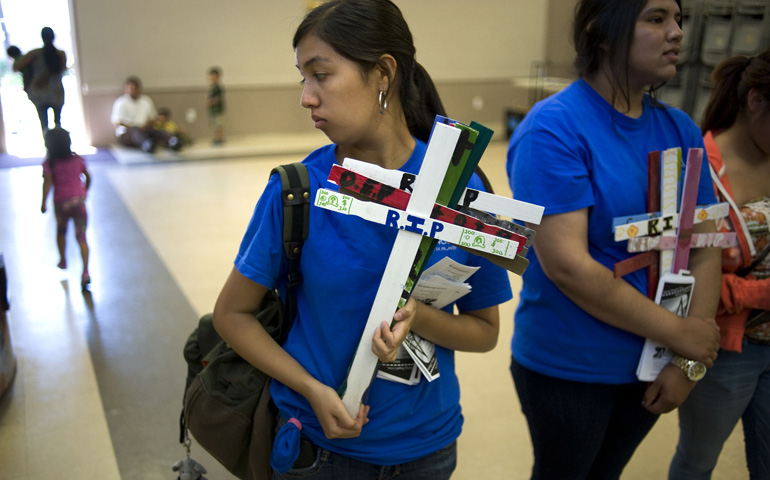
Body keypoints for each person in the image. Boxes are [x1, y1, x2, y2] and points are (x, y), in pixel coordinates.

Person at [212, 1, 513, 478]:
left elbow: (486, 333)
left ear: (383, 73)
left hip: (429, 449)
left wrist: (418, 319)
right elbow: (231, 315)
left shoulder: (461, 186)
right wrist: (312, 389)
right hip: (321, 452)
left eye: (321, 75)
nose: (307, 97)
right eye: (302, 79)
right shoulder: (301, 189)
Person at [506, 0, 723, 478]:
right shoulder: (554, 128)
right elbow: (569, 265)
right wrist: (679, 335)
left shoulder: (680, 130)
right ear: (601, 33)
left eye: (679, 20)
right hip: (572, 367)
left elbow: (705, 247)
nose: (676, 33)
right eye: (656, 18)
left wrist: (687, 360)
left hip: (655, 361)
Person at [668, 48, 770, 480]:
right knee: (698, 461)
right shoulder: (700, 169)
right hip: (727, 349)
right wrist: (757, 293)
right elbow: (680, 273)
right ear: (756, 100)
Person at [40, 127, 91, 288]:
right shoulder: (77, 160)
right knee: (81, 237)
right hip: (78, 202)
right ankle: (85, 272)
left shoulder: (50, 163)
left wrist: (43, 202)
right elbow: (88, 177)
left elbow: (47, 183)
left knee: (61, 232)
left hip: (61, 203)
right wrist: (84, 192)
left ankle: (63, 260)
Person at [12, 27, 66, 136]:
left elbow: (17, 67)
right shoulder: (61, 54)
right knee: (58, 123)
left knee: (44, 124)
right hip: (57, 91)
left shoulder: (35, 53)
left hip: (39, 91)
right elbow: (63, 69)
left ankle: (50, 148)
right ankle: (60, 146)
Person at [110, 76, 181, 153]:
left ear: (139, 89)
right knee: (135, 130)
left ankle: (172, 141)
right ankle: (146, 144)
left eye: (134, 89)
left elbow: (153, 118)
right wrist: (134, 127)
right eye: (129, 89)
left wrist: (146, 125)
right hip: (127, 133)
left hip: (144, 129)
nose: (131, 91)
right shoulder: (121, 102)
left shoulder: (146, 101)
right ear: (126, 90)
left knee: (155, 130)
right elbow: (117, 123)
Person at [207, 67, 225, 145]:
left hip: (218, 110)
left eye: (214, 76)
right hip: (214, 110)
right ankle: (217, 138)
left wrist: (210, 103)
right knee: (216, 125)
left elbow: (217, 98)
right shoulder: (212, 87)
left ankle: (220, 139)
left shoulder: (217, 87)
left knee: (219, 125)